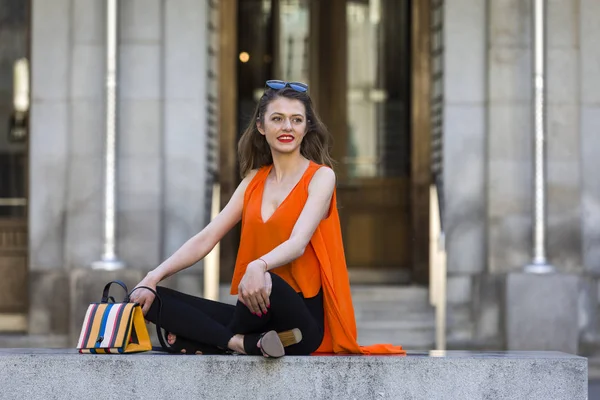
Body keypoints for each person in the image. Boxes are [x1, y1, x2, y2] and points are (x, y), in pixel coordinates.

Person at [129, 80, 405, 357]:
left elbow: (298, 242)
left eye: (296, 120)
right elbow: (207, 237)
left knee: (267, 283)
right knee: (151, 301)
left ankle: (212, 339)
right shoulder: (253, 180)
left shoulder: (321, 177)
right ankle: (240, 343)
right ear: (261, 127)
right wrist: (152, 278)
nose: (287, 127)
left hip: (301, 323)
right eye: (278, 119)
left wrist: (258, 266)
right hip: (255, 314)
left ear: (306, 127)